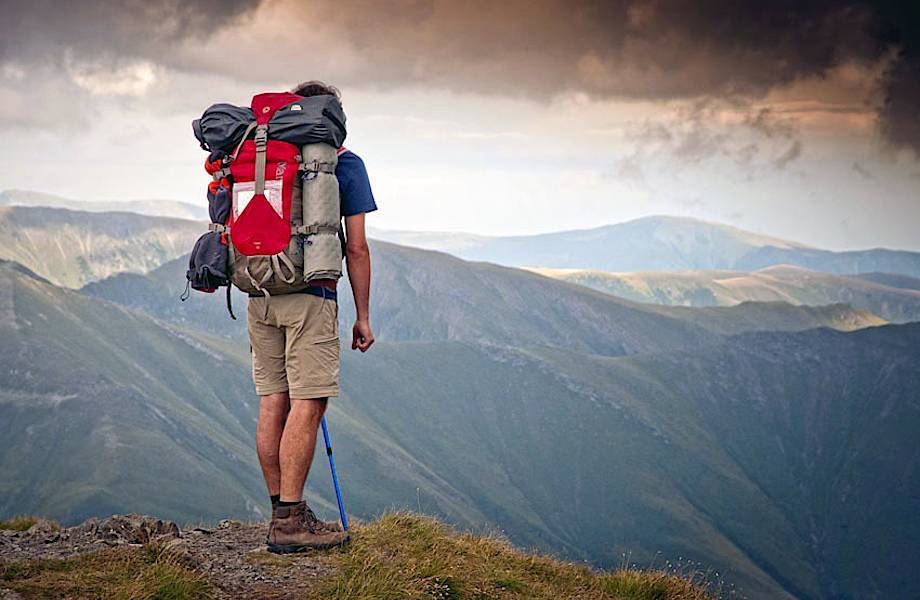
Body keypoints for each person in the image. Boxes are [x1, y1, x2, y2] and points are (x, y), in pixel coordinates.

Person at [248, 81, 376, 553]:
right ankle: (290, 525)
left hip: (260, 290)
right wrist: (362, 316)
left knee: (272, 401)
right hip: (312, 296)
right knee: (310, 402)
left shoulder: (261, 158)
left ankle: (283, 511)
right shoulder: (343, 163)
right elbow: (357, 246)